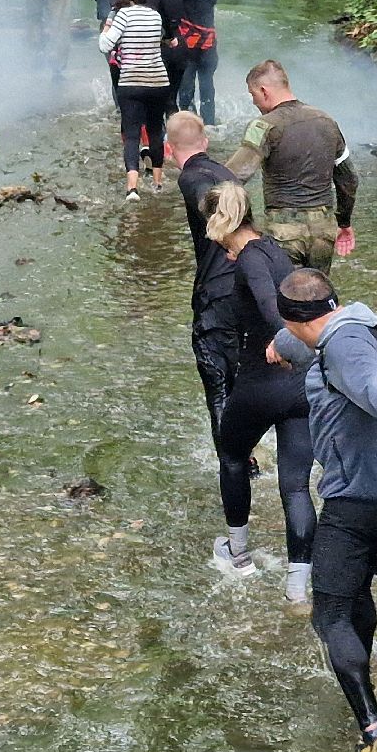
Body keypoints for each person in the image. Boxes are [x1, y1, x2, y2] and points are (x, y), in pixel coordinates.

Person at [269, 270, 377, 752]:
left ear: (291, 318)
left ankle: (375, 733)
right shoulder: (359, 322)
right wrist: (280, 344)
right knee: (356, 588)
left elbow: (376, 386)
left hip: (357, 499)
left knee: (328, 614)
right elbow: (309, 342)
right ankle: (362, 665)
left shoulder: (345, 351)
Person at [200, 183, 316, 603]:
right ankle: (298, 588)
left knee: (231, 457)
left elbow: (271, 308)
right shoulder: (271, 248)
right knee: (297, 487)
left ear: (216, 221)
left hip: (261, 384)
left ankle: (237, 553)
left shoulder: (249, 260)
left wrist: (277, 340)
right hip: (300, 386)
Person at [166, 111, 243, 492]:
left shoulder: (190, 177)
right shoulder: (227, 174)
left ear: (168, 149)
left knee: (217, 380)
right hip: (246, 284)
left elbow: (203, 199)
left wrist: (215, 227)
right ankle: (247, 455)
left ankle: (233, 466)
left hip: (216, 293)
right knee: (242, 372)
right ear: (206, 142)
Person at [227, 60, 359, 271]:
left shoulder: (264, 126)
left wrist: (240, 227)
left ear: (263, 91)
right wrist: (344, 223)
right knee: (318, 294)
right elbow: (349, 179)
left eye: (253, 95)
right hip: (323, 232)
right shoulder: (326, 121)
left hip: (283, 233)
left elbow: (233, 177)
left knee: (286, 295)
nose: (254, 103)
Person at [98, 0, 169, 201]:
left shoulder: (123, 16)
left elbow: (105, 46)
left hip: (131, 81)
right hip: (158, 81)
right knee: (156, 131)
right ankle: (158, 183)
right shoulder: (155, 15)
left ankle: (132, 188)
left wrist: (107, 27)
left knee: (131, 135)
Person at [175, 0, 221, 124]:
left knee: (186, 85)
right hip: (209, 41)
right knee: (207, 84)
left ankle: (186, 124)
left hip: (187, 41)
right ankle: (209, 123)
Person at [144, 0, 186, 114]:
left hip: (162, 47)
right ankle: (176, 135)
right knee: (171, 99)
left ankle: (158, 137)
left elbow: (157, 21)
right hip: (180, 46)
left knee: (156, 101)